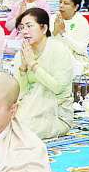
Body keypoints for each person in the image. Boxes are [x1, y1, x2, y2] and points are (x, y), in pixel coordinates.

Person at [11, 8, 76, 139]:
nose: (24, 31)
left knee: (21, 131)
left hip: (56, 114)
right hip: (28, 107)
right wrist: (23, 68)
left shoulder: (59, 50)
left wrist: (33, 65)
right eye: (22, 27)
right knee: (1, 125)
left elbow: (58, 88)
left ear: (44, 28)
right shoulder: (22, 53)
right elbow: (20, 92)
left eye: (29, 26)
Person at [50, 0, 89, 66]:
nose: (61, 6)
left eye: (66, 3)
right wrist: (55, 31)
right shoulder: (53, 18)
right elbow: (46, 44)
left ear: (76, 7)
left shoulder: (81, 22)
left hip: (76, 59)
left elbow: (81, 49)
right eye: (60, 2)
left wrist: (63, 33)